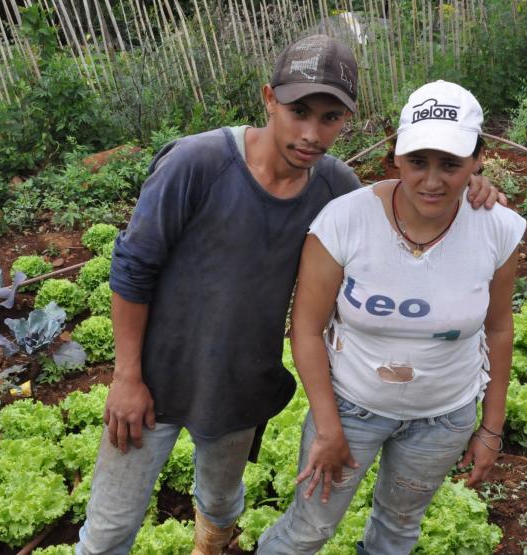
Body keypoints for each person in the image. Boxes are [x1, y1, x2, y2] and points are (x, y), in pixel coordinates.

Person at [75, 35, 503, 555]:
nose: (311, 133)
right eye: (298, 110)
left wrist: (477, 189)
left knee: (220, 501)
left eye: (329, 118)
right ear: (268, 98)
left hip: (239, 385)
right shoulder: (198, 164)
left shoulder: (334, 187)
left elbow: (402, 205)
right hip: (150, 382)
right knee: (109, 530)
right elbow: (133, 269)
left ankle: (213, 544)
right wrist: (126, 377)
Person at [257, 80, 526, 555]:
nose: (432, 181)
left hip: (444, 418)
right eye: (418, 161)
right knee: (309, 530)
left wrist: (491, 427)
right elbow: (306, 329)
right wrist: (328, 428)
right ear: (396, 156)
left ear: (478, 159)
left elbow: (499, 328)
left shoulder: (497, 228)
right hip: (351, 409)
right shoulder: (345, 221)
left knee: (398, 531)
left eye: (451, 164)